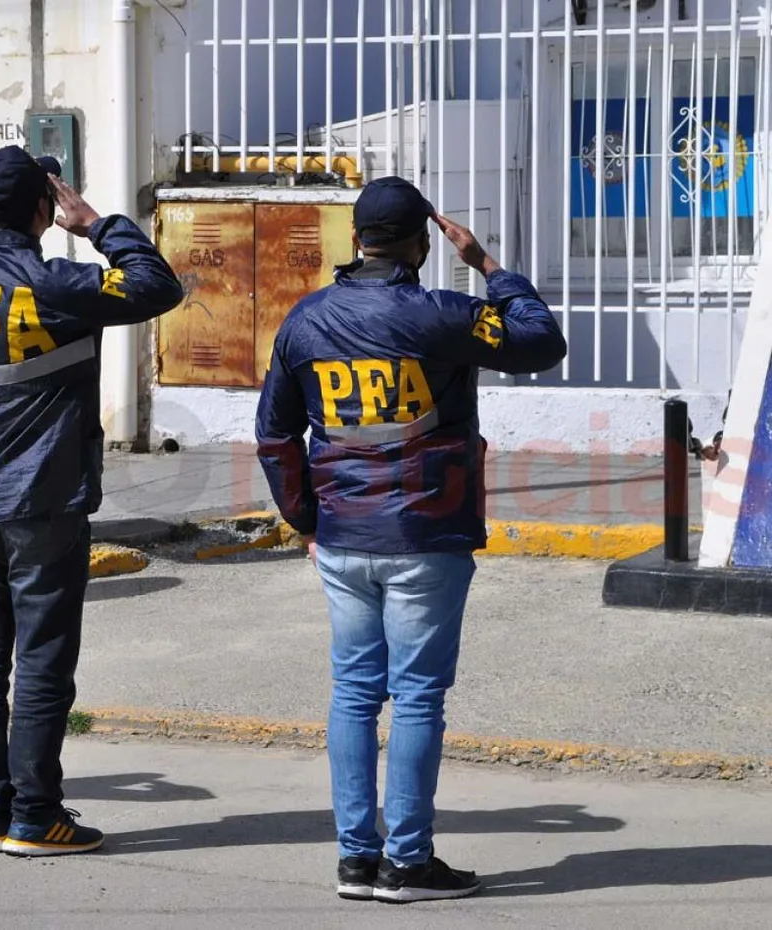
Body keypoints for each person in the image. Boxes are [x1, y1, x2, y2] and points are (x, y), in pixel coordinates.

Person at [255, 176, 567, 902]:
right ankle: (408, 861)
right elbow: (540, 341)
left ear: (355, 240)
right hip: (426, 532)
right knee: (419, 696)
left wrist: (306, 520)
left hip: (341, 535)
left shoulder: (304, 321)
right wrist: (491, 269)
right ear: (423, 244)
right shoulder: (443, 314)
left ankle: (357, 860)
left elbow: (275, 436)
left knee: (355, 694)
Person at [0, 146, 183, 856]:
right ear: (41, 210)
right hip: (45, 500)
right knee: (44, 658)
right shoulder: (55, 282)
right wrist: (97, 224)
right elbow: (157, 286)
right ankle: (36, 816)